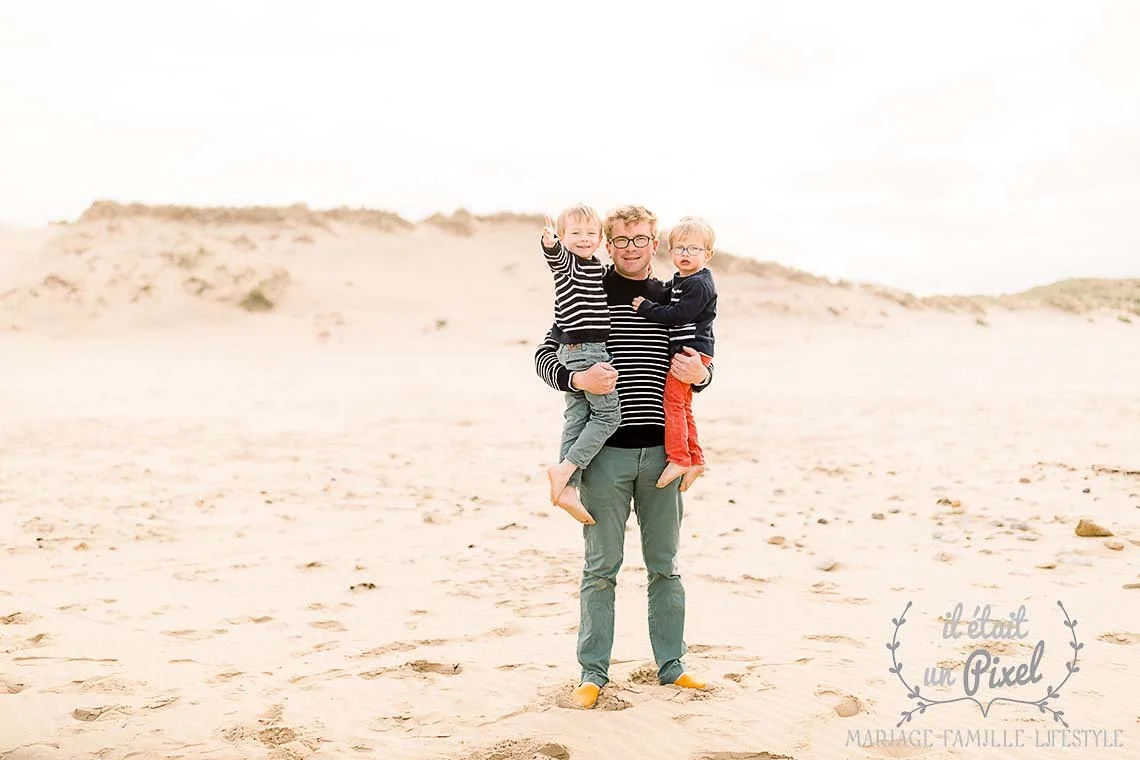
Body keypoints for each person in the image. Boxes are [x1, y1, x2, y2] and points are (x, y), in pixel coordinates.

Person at [533, 204, 713, 709]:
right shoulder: (586, 286)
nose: (631, 248)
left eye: (640, 239)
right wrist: (577, 379)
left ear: (654, 243)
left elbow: (701, 358)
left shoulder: (673, 295)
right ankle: (593, 674)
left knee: (665, 566)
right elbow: (546, 354)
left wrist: (702, 376)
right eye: (622, 240)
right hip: (604, 458)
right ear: (608, 244)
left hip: (661, 456)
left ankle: (672, 667)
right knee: (600, 568)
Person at [541, 205, 620, 526]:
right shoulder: (569, 264)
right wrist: (550, 243)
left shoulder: (596, 267)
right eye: (575, 233)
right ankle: (567, 467)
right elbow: (556, 258)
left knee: (577, 415)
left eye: (590, 234)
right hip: (585, 350)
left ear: (601, 238)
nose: (584, 239)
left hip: (577, 348)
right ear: (563, 237)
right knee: (608, 415)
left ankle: (566, 487)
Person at [631, 216, 717, 489]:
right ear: (671, 252)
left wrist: (645, 308)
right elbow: (666, 291)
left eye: (693, 249)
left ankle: (680, 457)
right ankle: (696, 459)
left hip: (691, 353)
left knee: (672, 404)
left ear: (708, 254)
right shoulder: (682, 280)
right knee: (683, 406)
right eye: (679, 248)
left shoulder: (700, 284)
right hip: (685, 353)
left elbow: (678, 314)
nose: (685, 254)